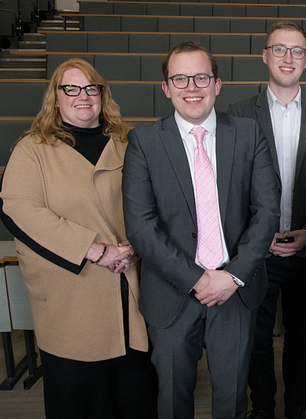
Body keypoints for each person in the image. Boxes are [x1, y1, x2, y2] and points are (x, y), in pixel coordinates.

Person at [122, 41, 279, 419]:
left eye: (201, 77)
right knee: (173, 399)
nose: (191, 87)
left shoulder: (247, 133)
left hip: (234, 293)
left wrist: (234, 276)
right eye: (180, 78)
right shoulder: (143, 142)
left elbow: (268, 210)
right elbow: (141, 226)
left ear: (217, 84)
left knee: (232, 398)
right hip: (172, 294)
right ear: (166, 87)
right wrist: (196, 279)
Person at [0, 58, 157, 418]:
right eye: (71, 88)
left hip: (129, 294)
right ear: (55, 97)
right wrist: (95, 250)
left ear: (102, 95)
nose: (82, 96)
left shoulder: (129, 141)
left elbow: (156, 201)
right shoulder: (32, 150)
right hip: (72, 301)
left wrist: (138, 245)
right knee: (80, 401)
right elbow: (20, 212)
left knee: (135, 397)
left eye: (91, 88)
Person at [227, 21, 306, 419]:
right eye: (279, 49)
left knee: (300, 336)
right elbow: (232, 189)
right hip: (256, 253)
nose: (288, 58)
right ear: (264, 55)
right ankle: (262, 408)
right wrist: (258, 238)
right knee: (256, 338)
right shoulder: (238, 114)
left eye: (297, 51)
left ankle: (296, 406)